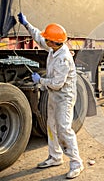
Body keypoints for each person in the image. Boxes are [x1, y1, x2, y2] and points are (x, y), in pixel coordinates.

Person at [18, 13, 84, 179]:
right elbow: (39, 38)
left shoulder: (64, 59)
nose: (45, 41)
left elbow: (56, 84)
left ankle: (77, 163)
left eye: (48, 39)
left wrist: (40, 80)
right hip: (54, 95)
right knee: (51, 126)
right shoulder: (54, 48)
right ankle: (55, 157)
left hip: (64, 97)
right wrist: (27, 24)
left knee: (64, 128)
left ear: (55, 42)